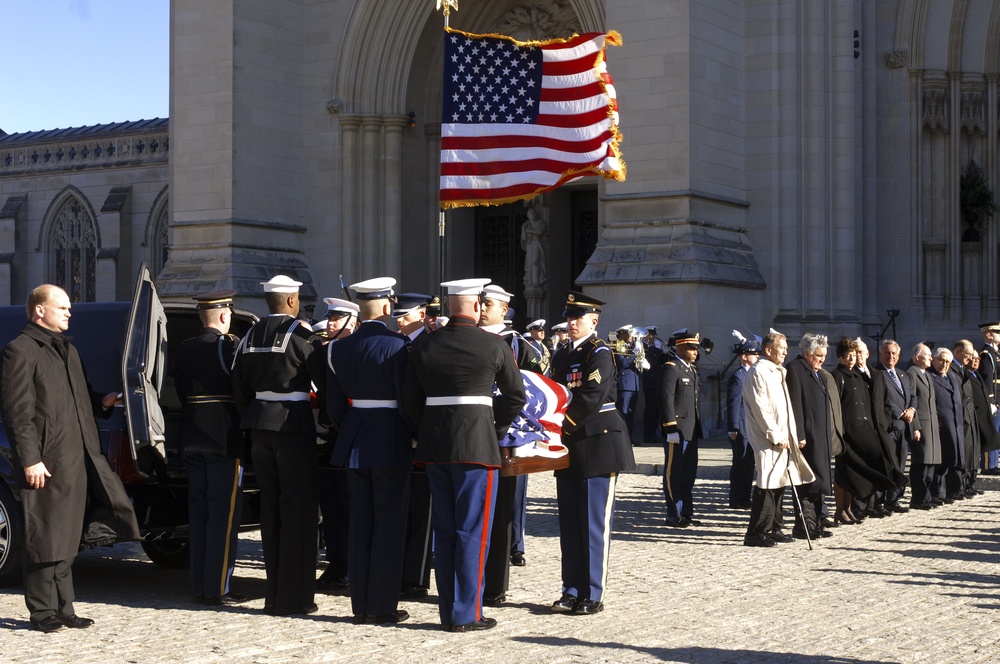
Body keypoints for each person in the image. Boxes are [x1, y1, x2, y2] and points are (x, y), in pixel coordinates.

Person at [0, 284, 140, 632]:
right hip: (46, 460)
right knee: (44, 535)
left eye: (69, 308)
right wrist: (30, 459)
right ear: (39, 311)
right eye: (61, 307)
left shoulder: (68, 350)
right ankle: (42, 612)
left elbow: (78, 398)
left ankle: (65, 607)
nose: (68, 312)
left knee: (68, 536)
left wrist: (102, 403)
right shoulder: (19, 351)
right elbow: (18, 414)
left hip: (78, 457)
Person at [402, 278, 526, 633]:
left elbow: (410, 401)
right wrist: (493, 426)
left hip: (436, 447)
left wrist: (427, 428)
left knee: (445, 530)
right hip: (476, 446)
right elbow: (516, 397)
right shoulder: (493, 345)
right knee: (473, 530)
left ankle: (448, 610)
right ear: (475, 306)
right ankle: (466, 613)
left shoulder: (425, 345)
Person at [231, 274, 325, 616]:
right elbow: (324, 383)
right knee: (298, 510)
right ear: (290, 301)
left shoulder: (247, 337)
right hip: (293, 426)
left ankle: (273, 595)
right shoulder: (302, 335)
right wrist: (326, 420)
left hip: (258, 427)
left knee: (270, 511)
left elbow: (238, 387)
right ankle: (296, 597)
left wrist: (254, 414)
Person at [326, 277, 412, 625]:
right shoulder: (399, 345)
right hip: (390, 436)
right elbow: (408, 401)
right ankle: (382, 605)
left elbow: (333, 407)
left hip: (355, 435)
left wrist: (353, 425)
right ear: (388, 307)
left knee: (360, 522)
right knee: (388, 524)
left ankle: (360, 604)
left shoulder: (338, 348)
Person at [548, 291, 635, 614]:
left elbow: (591, 395)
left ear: (593, 321)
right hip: (569, 445)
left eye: (578, 318)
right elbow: (552, 393)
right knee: (570, 522)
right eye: (569, 317)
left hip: (597, 442)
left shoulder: (598, 352)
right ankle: (571, 588)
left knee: (593, 523)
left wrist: (559, 427)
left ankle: (593, 593)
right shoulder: (560, 356)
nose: (571, 323)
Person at [174, 290, 246, 607]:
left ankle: (200, 586)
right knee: (222, 516)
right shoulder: (227, 346)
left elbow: (178, 390)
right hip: (222, 437)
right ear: (222, 315)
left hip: (191, 435)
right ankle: (218, 588)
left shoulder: (185, 348)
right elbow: (241, 389)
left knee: (199, 513)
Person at [478, 284, 536, 605]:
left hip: (505, 435)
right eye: (480, 302)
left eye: (488, 303)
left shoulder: (520, 345)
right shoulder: (470, 336)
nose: (482, 308)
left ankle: (495, 585)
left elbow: (532, 391)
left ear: (504, 309)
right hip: (471, 434)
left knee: (503, 510)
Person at [741, 331, 815, 547]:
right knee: (767, 483)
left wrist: (790, 434)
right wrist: (775, 435)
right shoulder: (758, 372)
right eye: (781, 347)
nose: (785, 351)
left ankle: (774, 526)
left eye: (785, 348)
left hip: (782, 437)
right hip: (768, 438)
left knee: (779, 482)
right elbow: (761, 408)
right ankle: (756, 532)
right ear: (768, 349)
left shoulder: (775, 371)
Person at [390, 293, 435, 599]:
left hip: (419, 435)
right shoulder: (400, 344)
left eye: (404, 316)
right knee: (402, 508)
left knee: (421, 511)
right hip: (397, 434)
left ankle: (416, 576)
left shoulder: (428, 344)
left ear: (420, 315)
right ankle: (402, 571)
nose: (399, 320)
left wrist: (418, 431)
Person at [315, 296, 359, 593]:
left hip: (350, 435)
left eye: (337, 319)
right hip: (329, 437)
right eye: (329, 318)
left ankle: (348, 563)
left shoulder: (353, 351)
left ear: (352, 323)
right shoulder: (322, 352)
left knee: (350, 504)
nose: (330, 323)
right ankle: (336, 562)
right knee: (331, 505)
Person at [784, 333, 834, 539]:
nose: (822, 359)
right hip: (807, 437)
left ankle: (816, 523)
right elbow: (795, 404)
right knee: (807, 483)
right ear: (807, 353)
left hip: (820, 437)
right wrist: (800, 434)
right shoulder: (795, 369)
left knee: (819, 482)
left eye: (823, 355)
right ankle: (804, 526)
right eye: (818, 355)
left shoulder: (817, 373)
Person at [660, 329, 704, 527]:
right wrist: (670, 428)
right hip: (676, 431)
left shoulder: (691, 369)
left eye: (696, 348)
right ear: (680, 347)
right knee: (674, 472)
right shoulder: (671, 368)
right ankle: (673, 513)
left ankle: (686, 511)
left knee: (688, 473)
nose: (696, 352)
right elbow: (665, 400)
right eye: (692, 348)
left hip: (690, 430)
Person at [871, 339, 916, 513]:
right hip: (889, 426)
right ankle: (881, 499)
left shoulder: (903, 375)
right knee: (887, 464)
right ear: (880, 354)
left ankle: (894, 498)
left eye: (894, 353)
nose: (890, 356)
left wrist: (911, 409)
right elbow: (884, 399)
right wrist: (901, 413)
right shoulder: (877, 373)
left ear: (899, 356)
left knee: (901, 463)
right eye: (887, 353)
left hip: (904, 427)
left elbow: (913, 396)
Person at [905, 343, 942, 509]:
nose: (931, 358)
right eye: (928, 355)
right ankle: (918, 498)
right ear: (917, 357)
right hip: (922, 425)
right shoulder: (912, 373)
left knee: (931, 463)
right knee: (921, 462)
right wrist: (915, 426)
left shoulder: (927, 374)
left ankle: (927, 496)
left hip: (932, 424)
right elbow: (912, 401)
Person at [726, 332, 761, 509]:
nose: (757, 356)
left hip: (750, 426)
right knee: (740, 464)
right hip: (741, 427)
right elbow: (733, 404)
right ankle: (737, 498)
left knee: (748, 464)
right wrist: (733, 427)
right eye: (754, 354)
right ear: (744, 356)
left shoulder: (750, 374)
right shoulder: (739, 376)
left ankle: (744, 497)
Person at [929, 347, 965, 503]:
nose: (944, 364)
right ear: (934, 360)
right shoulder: (930, 376)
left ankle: (954, 490)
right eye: (941, 360)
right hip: (941, 425)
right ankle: (939, 493)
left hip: (956, 425)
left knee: (955, 459)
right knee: (941, 463)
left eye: (948, 362)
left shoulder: (951, 376)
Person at [613, 325, 644, 441]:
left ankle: (629, 438)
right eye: (630, 334)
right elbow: (623, 363)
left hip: (634, 383)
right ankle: (623, 439)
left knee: (631, 413)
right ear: (623, 334)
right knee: (624, 412)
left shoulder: (632, 346)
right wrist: (635, 353)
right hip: (625, 384)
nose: (632, 336)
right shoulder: (619, 346)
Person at [977, 322, 1000, 473]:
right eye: (998, 332)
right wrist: (990, 400)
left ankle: (993, 463)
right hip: (993, 399)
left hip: (998, 399)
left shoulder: (995, 353)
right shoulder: (987, 354)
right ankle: (987, 465)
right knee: (991, 431)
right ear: (988, 335)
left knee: (997, 432)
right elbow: (986, 379)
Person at [520, 206, 548, 290]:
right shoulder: (526, 224)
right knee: (530, 263)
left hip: (537, 244)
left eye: (534, 213)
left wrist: (531, 231)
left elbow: (540, 232)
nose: (533, 214)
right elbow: (525, 234)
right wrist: (532, 232)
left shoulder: (540, 223)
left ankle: (537, 280)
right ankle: (532, 282)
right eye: (531, 213)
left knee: (536, 261)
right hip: (530, 245)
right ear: (528, 215)